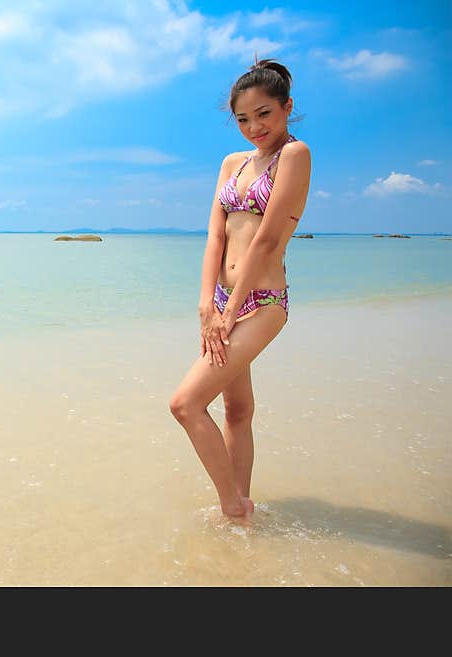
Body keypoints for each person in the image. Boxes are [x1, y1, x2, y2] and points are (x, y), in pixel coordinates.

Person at [169, 59, 311, 518]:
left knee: (186, 404)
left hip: (264, 302)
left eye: (265, 114)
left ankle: (231, 508)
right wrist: (207, 303)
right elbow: (215, 235)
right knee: (237, 409)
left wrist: (228, 318)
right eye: (244, 118)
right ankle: (245, 503)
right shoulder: (233, 163)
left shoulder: (295, 155)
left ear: (287, 107)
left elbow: (268, 240)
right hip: (224, 302)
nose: (255, 127)